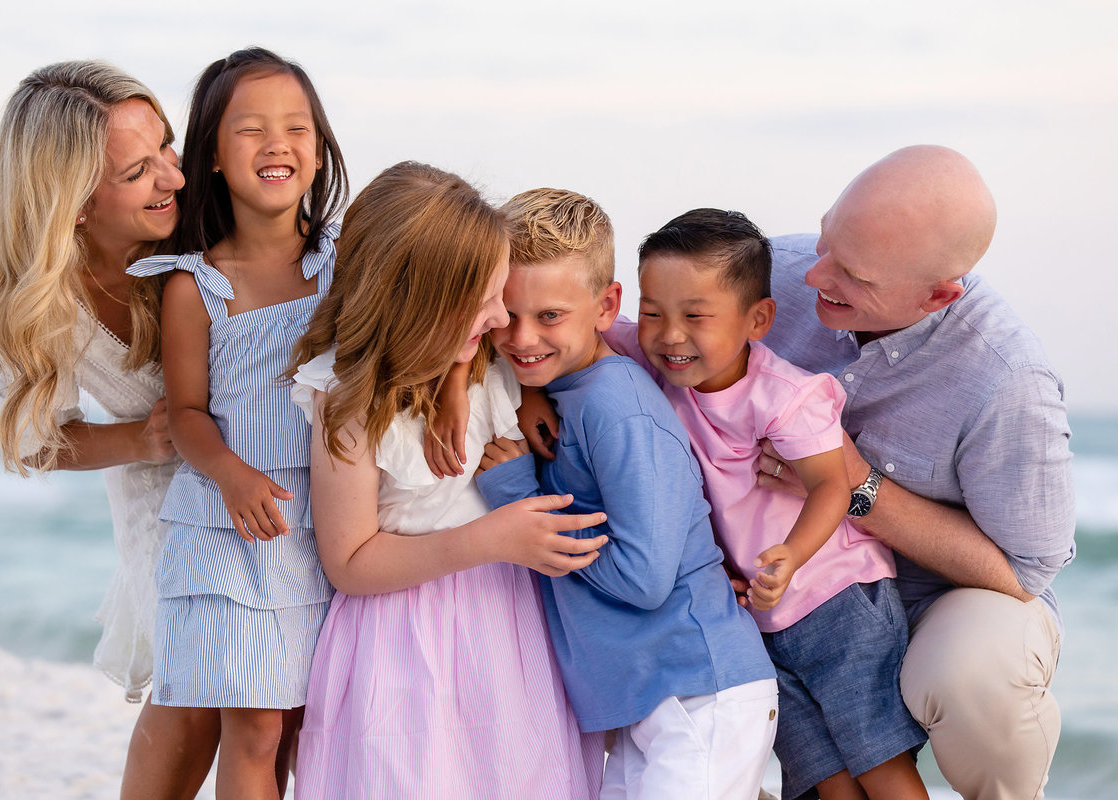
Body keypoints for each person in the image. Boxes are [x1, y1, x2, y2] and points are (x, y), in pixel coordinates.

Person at [758, 145, 1075, 800]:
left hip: (932, 603)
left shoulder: (1009, 378)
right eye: (824, 241)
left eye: (853, 274)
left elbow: (1024, 573)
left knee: (974, 673)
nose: (814, 276)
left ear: (939, 295)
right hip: (778, 579)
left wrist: (851, 481)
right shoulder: (767, 273)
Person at [289, 162, 609, 800]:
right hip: (406, 637)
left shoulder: (485, 359)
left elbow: (595, 335)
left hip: (507, 627)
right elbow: (350, 560)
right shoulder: (349, 401)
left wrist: (456, 379)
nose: (501, 318)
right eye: (487, 299)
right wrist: (490, 538)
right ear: (421, 301)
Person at [0, 61, 223, 799]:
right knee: (188, 704)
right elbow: (32, 439)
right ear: (72, 203)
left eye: (167, 148)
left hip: (270, 479)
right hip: (162, 503)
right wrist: (139, 440)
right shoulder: (38, 304)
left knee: (278, 710)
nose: (173, 177)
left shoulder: (207, 226)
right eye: (139, 171)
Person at [605, 208, 927, 799]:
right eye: (653, 312)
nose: (670, 334)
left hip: (836, 596)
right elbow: (579, 338)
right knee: (824, 777)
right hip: (756, 616)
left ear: (759, 319)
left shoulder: (783, 396)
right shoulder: (651, 356)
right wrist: (532, 405)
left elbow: (833, 484)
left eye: (695, 317)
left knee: (879, 764)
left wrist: (791, 555)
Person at [475, 188, 779, 799]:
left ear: (607, 305)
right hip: (650, 698)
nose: (522, 337)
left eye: (550, 317)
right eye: (508, 315)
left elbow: (645, 578)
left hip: (699, 690)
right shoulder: (565, 386)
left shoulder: (619, 410)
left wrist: (516, 505)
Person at [125, 47, 348, 799]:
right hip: (231, 526)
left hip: (326, 516)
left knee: (293, 723)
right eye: (250, 130)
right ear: (212, 156)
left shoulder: (347, 261)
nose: (277, 143)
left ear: (318, 149)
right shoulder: (196, 283)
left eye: (296, 127)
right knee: (250, 723)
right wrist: (229, 472)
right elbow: (185, 414)